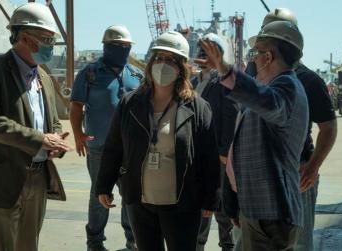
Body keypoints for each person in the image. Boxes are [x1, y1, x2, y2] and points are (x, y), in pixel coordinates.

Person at [95, 31, 221, 251]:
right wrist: (104, 184)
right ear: (151, 61)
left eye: (171, 60)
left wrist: (211, 197)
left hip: (182, 205)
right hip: (140, 202)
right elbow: (114, 147)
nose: (163, 64)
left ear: (182, 66)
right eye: (159, 57)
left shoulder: (198, 108)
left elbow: (208, 156)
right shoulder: (130, 103)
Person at [0, 3, 72, 251]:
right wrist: (40, 140)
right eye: (46, 39)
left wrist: (56, 140)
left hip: (37, 177)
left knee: (28, 245)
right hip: (1, 179)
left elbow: (51, 121)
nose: (50, 46)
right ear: (24, 37)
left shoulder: (42, 76)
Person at [198, 20, 309, 250]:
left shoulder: (287, 86)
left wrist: (226, 70)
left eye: (255, 53)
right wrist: (234, 203)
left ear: (268, 57)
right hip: (258, 211)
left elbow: (269, 103)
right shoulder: (275, 87)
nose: (253, 59)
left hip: (270, 214)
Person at [252, 8, 338, 251]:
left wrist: (313, 167)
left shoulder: (309, 80)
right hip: (257, 179)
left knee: (297, 243)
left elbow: (329, 127)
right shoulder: (253, 73)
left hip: (296, 177)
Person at [69, 25, 142, 251]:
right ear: (106, 47)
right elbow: (76, 106)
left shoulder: (135, 75)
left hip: (130, 150)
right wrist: (78, 135)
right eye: (117, 46)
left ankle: (132, 241)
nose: (122, 49)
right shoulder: (89, 74)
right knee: (99, 194)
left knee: (131, 195)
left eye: (126, 47)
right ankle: (95, 242)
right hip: (99, 147)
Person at [192, 33, 237, 251]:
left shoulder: (223, 82)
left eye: (208, 50)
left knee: (221, 207)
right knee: (201, 206)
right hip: (196, 154)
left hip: (218, 154)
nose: (202, 55)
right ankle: (198, 245)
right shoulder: (193, 81)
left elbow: (230, 114)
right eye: (201, 50)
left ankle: (227, 246)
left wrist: (224, 150)